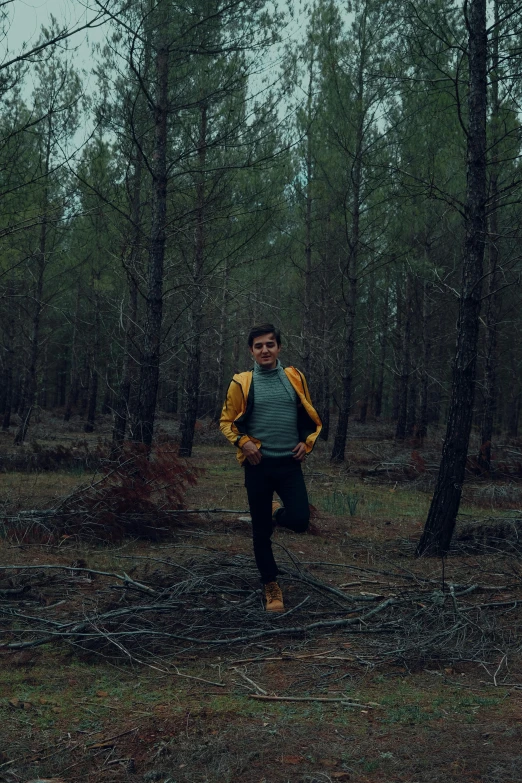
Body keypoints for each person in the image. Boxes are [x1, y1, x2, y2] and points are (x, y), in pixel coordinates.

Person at [219, 323, 322, 612]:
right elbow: (226, 422)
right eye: (259, 345)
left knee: (300, 519)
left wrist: (307, 442)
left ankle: (280, 513)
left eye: (270, 344)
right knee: (261, 531)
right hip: (258, 465)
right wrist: (242, 442)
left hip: (290, 464)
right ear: (251, 350)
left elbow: (308, 415)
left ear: (278, 347)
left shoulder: (295, 377)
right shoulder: (241, 382)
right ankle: (270, 585)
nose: (265, 350)